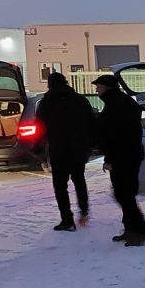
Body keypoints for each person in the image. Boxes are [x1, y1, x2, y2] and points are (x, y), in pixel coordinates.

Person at [92, 74, 145, 246]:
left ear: (106, 87)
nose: (97, 90)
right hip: (129, 154)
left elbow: (116, 135)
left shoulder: (116, 105)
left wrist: (110, 158)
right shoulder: (122, 102)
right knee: (125, 194)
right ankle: (131, 229)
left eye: (98, 87)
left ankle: (140, 231)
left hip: (123, 156)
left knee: (124, 195)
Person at [35, 72, 96, 231]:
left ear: (49, 84)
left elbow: (39, 126)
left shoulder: (47, 102)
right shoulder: (80, 100)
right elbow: (91, 123)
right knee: (79, 180)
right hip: (78, 148)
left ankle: (67, 219)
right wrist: (91, 145)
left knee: (60, 186)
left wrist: (38, 147)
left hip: (58, 148)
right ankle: (84, 211)